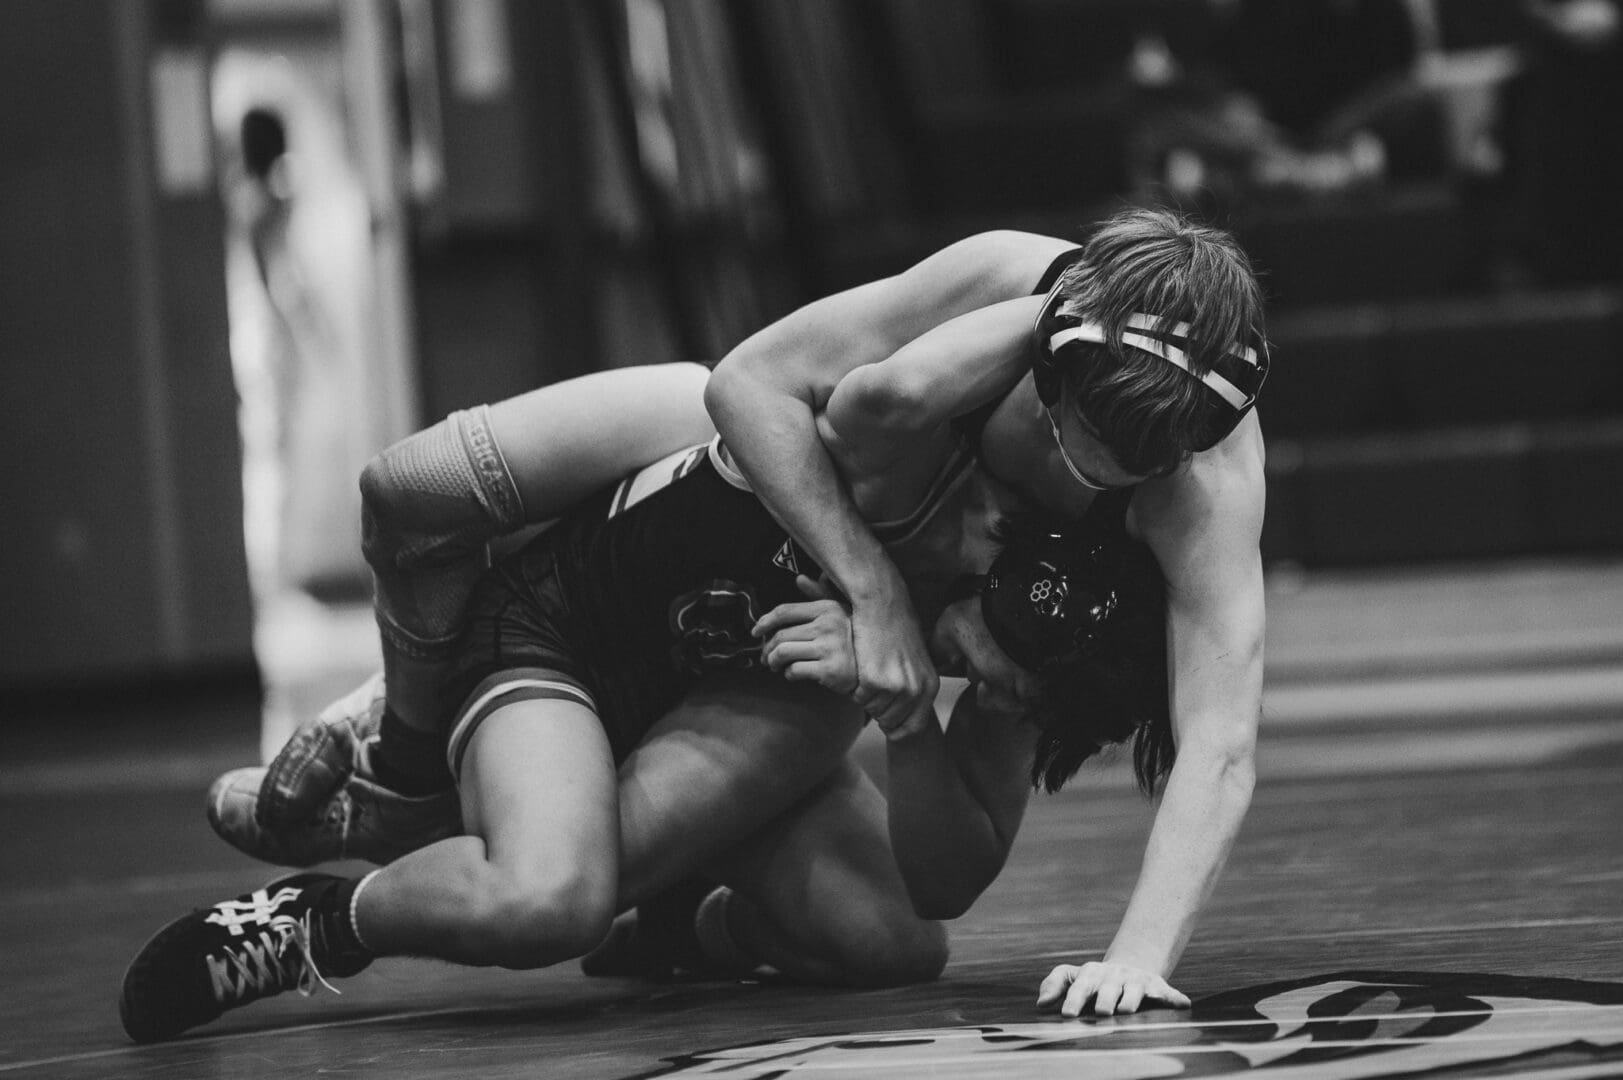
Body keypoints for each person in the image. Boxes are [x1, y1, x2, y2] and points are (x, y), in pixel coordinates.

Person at [119, 373, 1173, 1043]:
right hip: (553, 642)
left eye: (1013, 702)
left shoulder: (1046, 632)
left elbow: (951, 877)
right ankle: (321, 917)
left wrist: (902, 716)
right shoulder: (842, 421)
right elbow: (407, 499)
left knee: (892, 940)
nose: (988, 697)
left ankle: (678, 924)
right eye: (1002, 675)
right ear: (1011, 568)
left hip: (718, 702)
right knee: (550, 899)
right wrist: (408, 705)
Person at [702, 206, 1268, 1017]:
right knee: (849, 397)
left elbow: (1219, 739)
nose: (1120, 472)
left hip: (1035, 597)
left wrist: (1137, 958)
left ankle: (703, 915)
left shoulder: (1201, 481)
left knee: (913, 920)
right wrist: (875, 593)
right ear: (1051, 372)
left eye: (1149, 458)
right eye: (1100, 441)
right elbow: (747, 383)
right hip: (843, 538)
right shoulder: (985, 294)